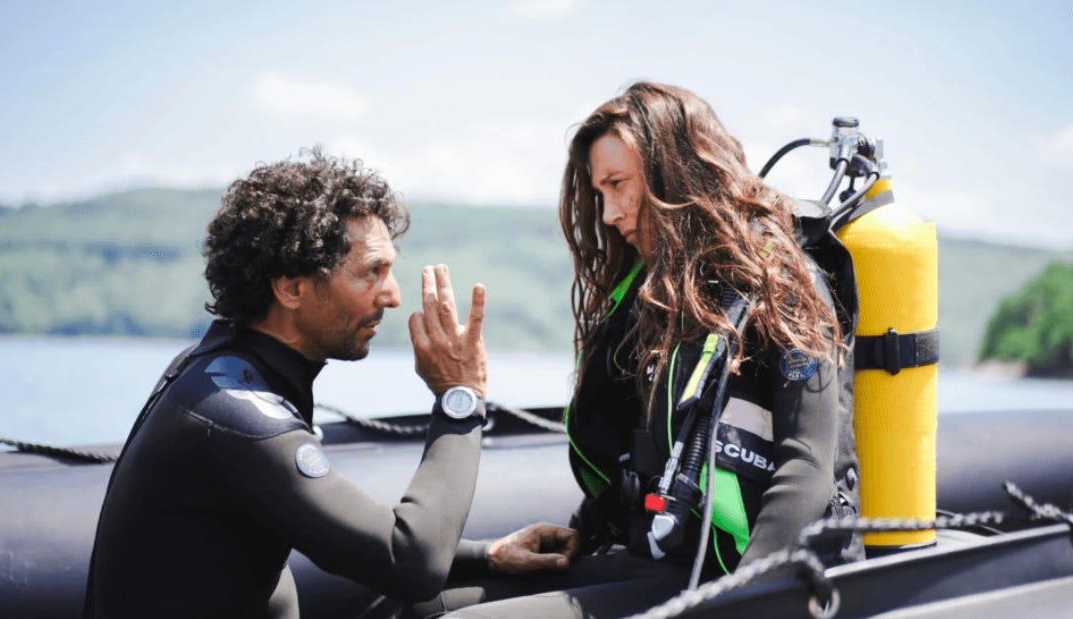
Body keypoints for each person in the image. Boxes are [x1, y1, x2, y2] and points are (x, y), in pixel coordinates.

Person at [83, 149, 574, 618]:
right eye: (371, 272)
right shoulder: (235, 413)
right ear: (291, 287)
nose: (392, 296)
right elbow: (410, 561)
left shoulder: (219, 370)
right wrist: (459, 396)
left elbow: (349, 536)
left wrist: (489, 554)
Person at [444, 82, 862, 618]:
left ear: (676, 173)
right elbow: (650, 446)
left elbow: (807, 463)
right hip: (664, 559)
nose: (608, 213)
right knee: (429, 601)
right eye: (600, 193)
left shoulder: (780, 282)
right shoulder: (658, 293)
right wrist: (587, 529)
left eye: (618, 185)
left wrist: (741, 601)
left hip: (740, 578)